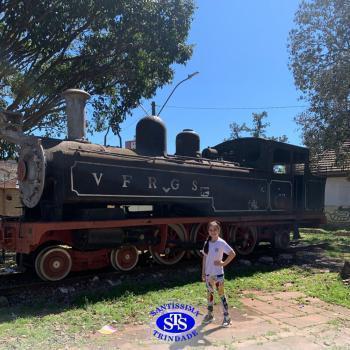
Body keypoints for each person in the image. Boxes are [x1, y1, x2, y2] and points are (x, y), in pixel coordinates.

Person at [201, 221, 236, 327]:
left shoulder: (221, 243)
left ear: (218, 230)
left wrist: (223, 263)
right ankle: (210, 315)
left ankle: (227, 317)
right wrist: (203, 272)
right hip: (208, 275)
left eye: (215, 230)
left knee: (221, 294)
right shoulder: (207, 243)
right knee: (210, 294)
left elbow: (232, 253)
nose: (213, 232)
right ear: (208, 231)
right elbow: (204, 258)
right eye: (211, 230)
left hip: (218, 275)